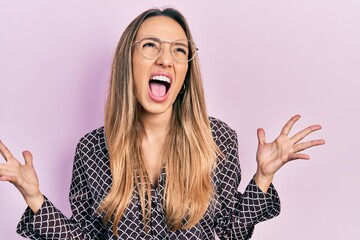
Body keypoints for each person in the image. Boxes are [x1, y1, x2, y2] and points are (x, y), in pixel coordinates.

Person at [0, 7, 325, 240]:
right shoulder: (92, 149)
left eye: (178, 50)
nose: (165, 59)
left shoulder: (217, 140)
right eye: (151, 45)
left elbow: (229, 233)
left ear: (185, 74)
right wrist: (33, 196)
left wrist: (263, 177)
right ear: (129, 59)